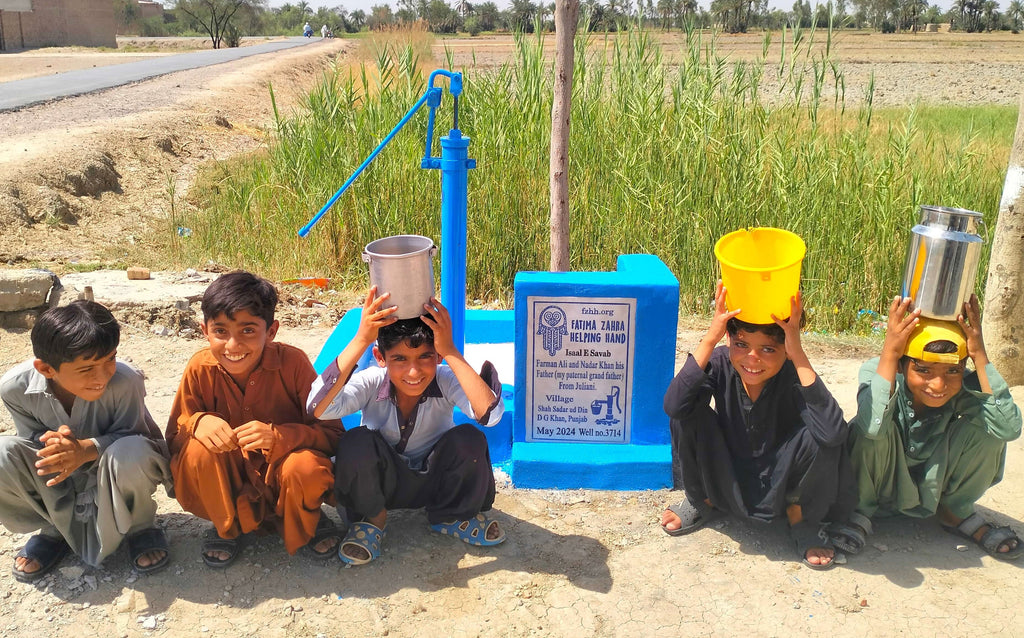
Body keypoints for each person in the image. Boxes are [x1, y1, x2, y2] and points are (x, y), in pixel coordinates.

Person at [661, 281, 852, 570]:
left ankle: (801, 519)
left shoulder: (793, 373)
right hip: (728, 475)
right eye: (741, 345)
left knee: (822, 436)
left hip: (780, 479)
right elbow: (673, 405)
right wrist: (710, 338)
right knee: (687, 412)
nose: (752, 359)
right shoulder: (722, 363)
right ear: (729, 341)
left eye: (767, 349)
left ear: (785, 350)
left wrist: (798, 354)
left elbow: (834, 433)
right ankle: (703, 501)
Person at [308, 287, 505, 565]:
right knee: (356, 441)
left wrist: (450, 351)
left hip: (434, 481)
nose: (413, 372)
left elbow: (491, 415)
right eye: (399, 359)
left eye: (425, 357)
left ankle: (451, 515)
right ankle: (371, 520)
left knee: (469, 439)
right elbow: (318, 408)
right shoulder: (371, 381)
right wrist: (361, 339)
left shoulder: (445, 377)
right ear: (380, 358)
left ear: (436, 356)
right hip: (383, 485)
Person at [166, 271, 344, 568]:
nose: (233, 345)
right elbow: (173, 439)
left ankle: (304, 514)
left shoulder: (294, 363)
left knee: (305, 466)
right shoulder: (200, 368)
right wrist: (198, 423)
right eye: (220, 331)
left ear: (271, 331)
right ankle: (227, 525)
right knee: (197, 450)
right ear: (204, 330)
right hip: (233, 478)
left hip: (283, 475)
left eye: (248, 331)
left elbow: (333, 434)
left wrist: (280, 437)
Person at [828, 295, 1022, 560]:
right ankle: (859, 513)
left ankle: (954, 512)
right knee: (871, 432)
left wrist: (979, 355)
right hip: (880, 481)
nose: (938, 386)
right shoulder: (880, 369)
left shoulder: (965, 385)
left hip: (931, 486)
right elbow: (871, 428)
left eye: (952, 371)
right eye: (924, 370)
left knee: (990, 430)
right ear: (903, 364)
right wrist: (890, 353)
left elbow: (1008, 428)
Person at [0, 301, 171, 582]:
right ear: (46, 369)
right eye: (87, 369)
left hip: (114, 470)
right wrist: (57, 447)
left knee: (132, 452)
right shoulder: (15, 388)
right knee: (3, 454)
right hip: (60, 477)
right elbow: (28, 443)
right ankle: (53, 530)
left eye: (110, 359)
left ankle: (141, 527)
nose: (103, 376)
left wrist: (87, 449)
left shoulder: (125, 381)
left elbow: (139, 437)